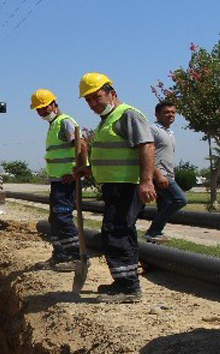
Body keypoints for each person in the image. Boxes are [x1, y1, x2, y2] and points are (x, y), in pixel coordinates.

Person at [76, 73, 157, 303]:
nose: (93, 103)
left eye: (96, 97)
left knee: (116, 230)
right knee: (119, 230)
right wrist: (89, 170)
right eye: (88, 100)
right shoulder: (107, 120)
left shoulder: (127, 115)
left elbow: (147, 146)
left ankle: (128, 287)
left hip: (127, 186)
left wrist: (146, 181)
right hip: (114, 186)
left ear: (112, 93)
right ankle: (125, 282)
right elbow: (115, 155)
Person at [30, 89, 88, 272]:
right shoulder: (54, 125)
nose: (41, 113)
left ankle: (74, 256)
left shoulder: (65, 123)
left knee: (62, 217)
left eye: (43, 108)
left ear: (54, 104)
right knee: (55, 218)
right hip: (58, 181)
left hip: (67, 181)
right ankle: (60, 255)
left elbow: (82, 144)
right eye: (38, 110)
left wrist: (80, 170)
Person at [144, 101, 187, 242]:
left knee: (163, 206)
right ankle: (153, 231)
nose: (170, 115)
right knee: (180, 200)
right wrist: (157, 175)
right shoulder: (153, 130)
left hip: (168, 174)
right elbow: (146, 154)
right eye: (166, 112)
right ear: (157, 114)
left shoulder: (169, 132)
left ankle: (154, 238)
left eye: (173, 112)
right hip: (160, 175)